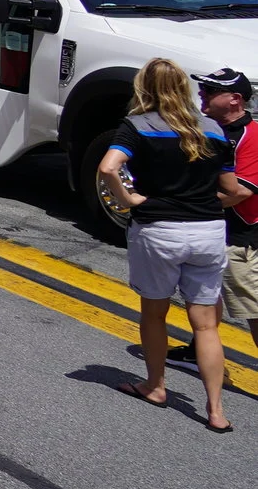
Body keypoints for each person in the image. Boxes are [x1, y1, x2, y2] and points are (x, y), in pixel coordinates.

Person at [101, 58, 248, 431]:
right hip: (208, 232)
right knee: (206, 326)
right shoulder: (212, 129)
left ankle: (155, 386)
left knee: (155, 313)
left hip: (159, 231)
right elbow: (232, 190)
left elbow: (108, 167)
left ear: (143, 88)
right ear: (184, 88)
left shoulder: (137, 125)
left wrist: (128, 199)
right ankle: (216, 411)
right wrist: (203, 202)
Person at [203, 71, 258, 343]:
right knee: (203, 295)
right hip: (208, 228)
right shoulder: (206, 128)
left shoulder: (252, 136)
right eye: (203, 88)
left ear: (235, 99)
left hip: (238, 238)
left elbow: (240, 193)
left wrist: (187, 205)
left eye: (211, 90)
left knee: (253, 309)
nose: (202, 93)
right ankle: (200, 350)